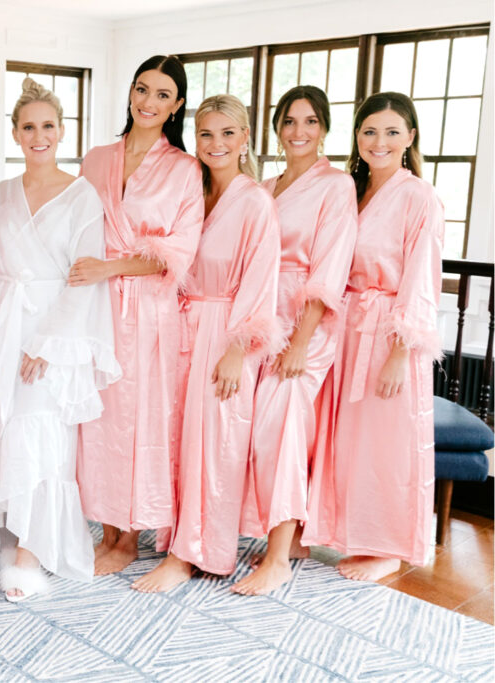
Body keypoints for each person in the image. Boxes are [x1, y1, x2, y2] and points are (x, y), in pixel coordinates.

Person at [0, 78, 121, 600]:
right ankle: (10, 532)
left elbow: (83, 276)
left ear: (61, 132)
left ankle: (32, 552)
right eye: (28, 126)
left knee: (41, 431)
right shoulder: (0, 192)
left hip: (53, 332)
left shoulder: (82, 195)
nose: (38, 135)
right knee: (5, 424)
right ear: (14, 133)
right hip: (3, 324)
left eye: (48, 126)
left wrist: (47, 343)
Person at [134, 94, 281, 593]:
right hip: (180, 326)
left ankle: (197, 552)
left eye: (226, 133)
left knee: (216, 441)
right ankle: (176, 538)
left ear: (244, 139)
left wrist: (238, 349)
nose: (215, 144)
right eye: (205, 134)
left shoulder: (255, 201)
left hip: (225, 332)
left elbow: (262, 280)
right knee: (179, 436)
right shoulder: (192, 192)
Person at [71, 55, 204, 576]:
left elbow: (181, 249)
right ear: (130, 92)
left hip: (148, 309)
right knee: (97, 417)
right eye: (142, 89)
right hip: (96, 304)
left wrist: (111, 267)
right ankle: (103, 528)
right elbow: (75, 225)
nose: (149, 102)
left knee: (138, 418)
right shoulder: (97, 157)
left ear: (176, 106)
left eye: (163, 95)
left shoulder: (184, 168)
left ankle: (130, 537)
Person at [303, 92, 444, 581]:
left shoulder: (419, 197)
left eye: (390, 132)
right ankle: (332, 531)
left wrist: (400, 354)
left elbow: (421, 279)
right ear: (356, 137)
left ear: (409, 137)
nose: (378, 142)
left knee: (386, 442)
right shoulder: (350, 189)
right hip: (343, 327)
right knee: (339, 439)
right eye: (369, 131)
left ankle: (388, 546)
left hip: (389, 334)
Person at [233, 86, 357, 595]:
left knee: (280, 424)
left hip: (308, 322)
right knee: (253, 423)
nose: (298, 132)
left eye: (309, 121)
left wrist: (302, 341)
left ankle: (278, 556)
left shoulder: (337, 186)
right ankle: (293, 536)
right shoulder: (263, 185)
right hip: (262, 312)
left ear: (324, 128)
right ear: (277, 126)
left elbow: (330, 267)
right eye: (289, 121)